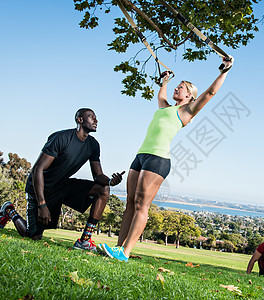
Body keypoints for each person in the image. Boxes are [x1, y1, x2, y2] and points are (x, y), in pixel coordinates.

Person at [99, 56, 234, 261]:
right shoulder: (165, 108)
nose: (176, 89)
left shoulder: (187, 111)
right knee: (129, 204)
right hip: (140, 156)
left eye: (180, 87)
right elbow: (161, 95)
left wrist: (224, 71)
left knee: (141, 205)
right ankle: (118, 248)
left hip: (158, 159)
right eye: (176, 87)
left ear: (189, 95)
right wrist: (165, 81)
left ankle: (126, 252)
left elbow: (210, 93)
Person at [0, 108, 125, 251]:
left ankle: (84, 240)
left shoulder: (93, 145)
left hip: (61, 186)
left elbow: (98, 176)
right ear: (79, 120)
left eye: (96, 117)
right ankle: (9, 210)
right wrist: (42, 205)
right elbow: (38, 169)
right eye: (92, 117)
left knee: (103, 189)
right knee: (33, 235)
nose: (96, 120)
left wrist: (110, 181)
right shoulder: (60, 138)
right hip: (39, 189)